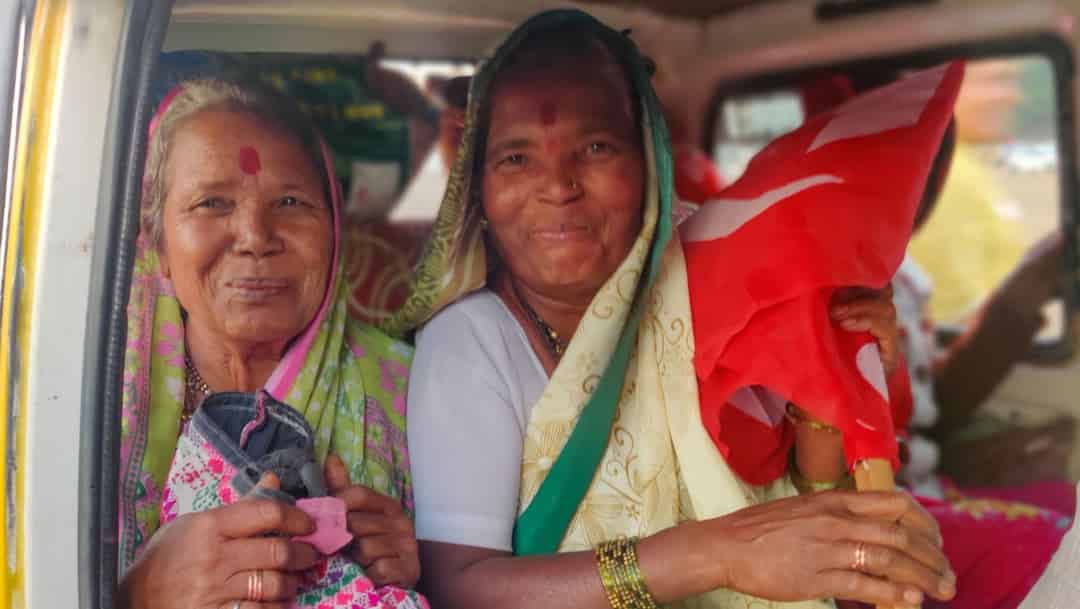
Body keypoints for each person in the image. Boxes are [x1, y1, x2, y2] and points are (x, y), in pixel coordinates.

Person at [396, 10, 956, 609]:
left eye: (595, 146)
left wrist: (837, 364)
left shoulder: (718, 290)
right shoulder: (469, 344)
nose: (558, 186)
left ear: (650, 167)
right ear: (478, 188)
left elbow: (799, 526)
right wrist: (713, 554)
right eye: (515, 158)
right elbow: (460, 587)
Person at [117, 79, 421, 609]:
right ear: (158, 244)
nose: (256, 236)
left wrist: (416, 566)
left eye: (290, 201)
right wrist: (134, 595)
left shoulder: (415, 391)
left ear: (334, 232)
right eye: (212, 203)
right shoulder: (80, 398)